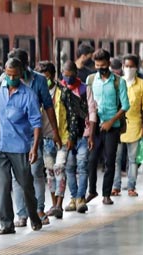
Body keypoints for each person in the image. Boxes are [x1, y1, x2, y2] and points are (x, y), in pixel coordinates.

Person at [7, 48, 62, 227]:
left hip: (33, 135)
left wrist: (55, 132)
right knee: (16, 176)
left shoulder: (39, 80)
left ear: (25, 66)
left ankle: (39, 209)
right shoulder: (4, 79)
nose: (12, 75)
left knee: (35, 171)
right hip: (13, 135)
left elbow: (48, 107)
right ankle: (22, 214)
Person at [0, 58, 43, 234]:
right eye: (8, 74)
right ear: (4, 72)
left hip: (20, 147)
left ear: (21, 74)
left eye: (15, 75)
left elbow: (36, 123)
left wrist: (34, 148)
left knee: (26, 185)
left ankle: (34, 217)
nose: (11, 78)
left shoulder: (28, 95)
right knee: (3, 186)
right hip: (0, 146)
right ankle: (7, 224)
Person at [85, 48, 130, 206]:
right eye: (97, 66)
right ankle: (92, 191)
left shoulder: (119, 82)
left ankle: (106, 194)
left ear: (108, 63)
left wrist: (111, 121)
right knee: (91, 160)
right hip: (95, 126)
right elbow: (88, 102)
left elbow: (125, 105)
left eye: (103, 65)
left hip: (112, 127)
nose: (100, 68)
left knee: (110, 161)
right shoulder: (91, 80)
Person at [112, 55, 143, 197]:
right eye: (126, 66)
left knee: (133, 159)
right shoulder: (116, 82)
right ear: (122, 67)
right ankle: (115, 186)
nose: (129, 69)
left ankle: (131, 187)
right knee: (116, 159)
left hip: (135, 125)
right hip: (118, 125)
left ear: (136, 68)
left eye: (131, 66)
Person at [36, 61, 70, 217]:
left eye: (47, 77)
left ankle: (59, 205)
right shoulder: (35, 92)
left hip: (62, 137)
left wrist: (71, 136)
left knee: (59, 168)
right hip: (45, 138)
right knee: (50, 172)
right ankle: (54, 203)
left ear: (53, 76)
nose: (45, 80)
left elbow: (72, 115)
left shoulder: (63, 92)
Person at [60, 61, 90, 214]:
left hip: (83, 133)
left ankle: (80, 198)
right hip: (67, 135)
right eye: (65, 75)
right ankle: (74, 197)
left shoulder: (84, 89)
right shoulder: (61, 89)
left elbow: (92, 110)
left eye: (70, 75)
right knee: (70, 167)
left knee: (82, 166)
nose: (67, 78)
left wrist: (91, 133)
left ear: (76, 74)